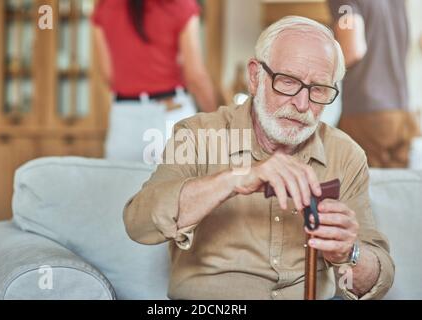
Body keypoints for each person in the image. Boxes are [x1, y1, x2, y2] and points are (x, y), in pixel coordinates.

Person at [123, 16, 394, 300]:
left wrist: (350, 252)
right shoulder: (197, 135)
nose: (302, 105)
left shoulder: (346, 155)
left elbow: (377, 280)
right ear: (255, 77)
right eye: (288, 82)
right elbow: (139, 223)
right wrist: (237, 178)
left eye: (318, 90)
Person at [92, 0, 217, 162]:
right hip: (170, 115)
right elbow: (196, 77)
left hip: (124, 117)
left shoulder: (105, 6)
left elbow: (108, 74)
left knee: (122, 184)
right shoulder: (181, 4)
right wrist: (216, 120)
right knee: (180, 185)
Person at [328, 0, 420, 168]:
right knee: (396, 187)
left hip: (366, 113)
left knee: (362, 187)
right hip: (401, 111)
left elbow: (352, 49)